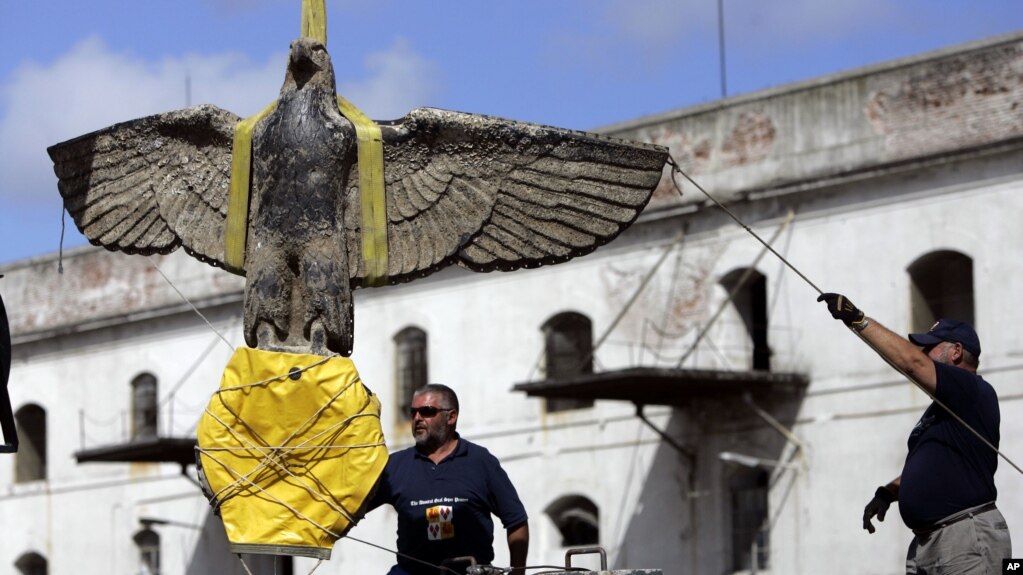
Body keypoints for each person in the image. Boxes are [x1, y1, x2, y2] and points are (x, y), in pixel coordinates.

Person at [818, 293, 1011, 574]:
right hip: (931, 542)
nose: (922, 353)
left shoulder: (971, 390)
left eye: (930, 348)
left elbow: (912, 364)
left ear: (956, 351)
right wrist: (888, 493)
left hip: (965, 539)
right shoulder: (943, 408)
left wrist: (858, 320)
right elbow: (935, 466)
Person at [369, 383, 529, 575]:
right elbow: (351, 506)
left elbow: (517, 521)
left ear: (451, 417)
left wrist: (518, 572)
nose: (417, 418)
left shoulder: (480, 461)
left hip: (470, 572)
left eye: (427, 411)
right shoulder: (395, 465)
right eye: (413, 412)